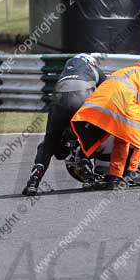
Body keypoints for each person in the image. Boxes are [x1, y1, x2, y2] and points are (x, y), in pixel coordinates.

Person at [71, 57, 140, 190]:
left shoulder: (123, 71)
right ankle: (135, 171)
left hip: (99, 108)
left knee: (123, 139)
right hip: (120, 106)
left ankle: (114, 177)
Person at [22, 53, 105, 196]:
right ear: (92, 62)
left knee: (48, 142)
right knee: (89, 136)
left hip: (58, 103)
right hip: (81, 100)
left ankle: (33, 181)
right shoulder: (93, 69)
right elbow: (108, 89)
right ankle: (88, 175)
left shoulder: (65, 73)